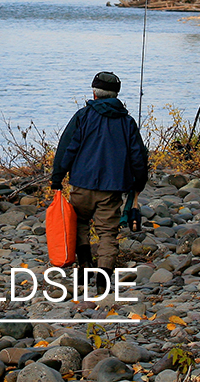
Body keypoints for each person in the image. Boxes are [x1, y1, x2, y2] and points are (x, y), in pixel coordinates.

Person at [50, 71, 148, 291]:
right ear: (116, 95)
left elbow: (67, 149)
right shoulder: (127, 121)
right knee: (107, 233)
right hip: (111, 189)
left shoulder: (82, 116)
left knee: (80, 225)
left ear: (94, 93)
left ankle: (84, 267)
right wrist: (139, 183)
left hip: (81, 185)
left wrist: (57, 178)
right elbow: (138, 157)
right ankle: (103, 279)